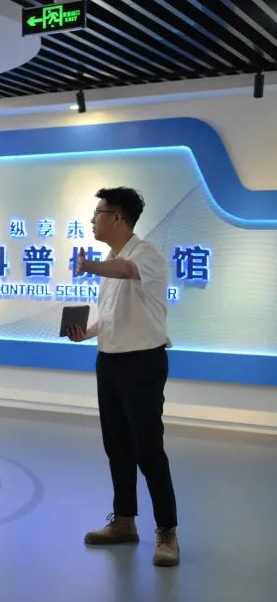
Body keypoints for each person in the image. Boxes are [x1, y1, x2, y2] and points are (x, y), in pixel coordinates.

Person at [67, 187, 180, 567]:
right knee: (117, 447)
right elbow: (112, 315)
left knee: (148, 450)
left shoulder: (145, 254)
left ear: (117, 218)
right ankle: (124, 521)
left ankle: (167, 532)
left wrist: (89, 266)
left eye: (98, 213)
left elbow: (130, 272)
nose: (92, 220)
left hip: (142, 363)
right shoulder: (111, 259)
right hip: (110, 362)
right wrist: (88, 333)